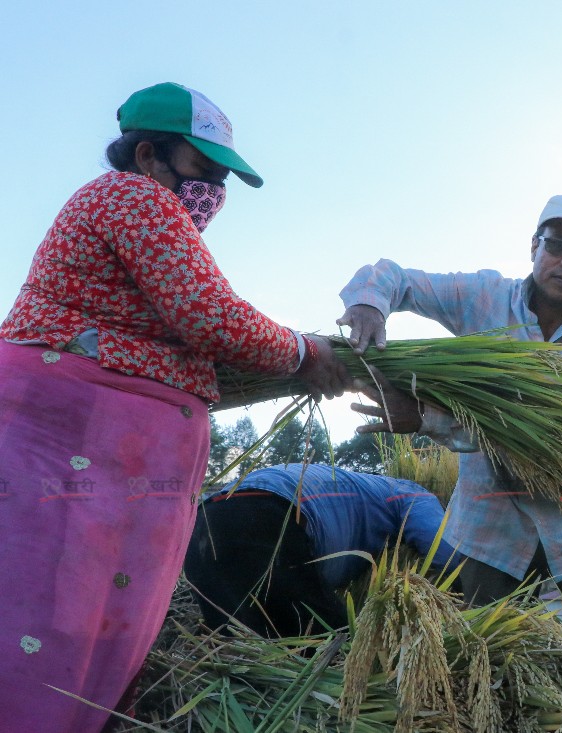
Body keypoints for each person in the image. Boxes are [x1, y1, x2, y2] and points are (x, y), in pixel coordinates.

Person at [0, 83, 348, 732]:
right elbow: (210, 316)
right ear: (149, 155)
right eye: (202, 168)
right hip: (70, 444)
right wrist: (308, 353)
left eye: (221, 178)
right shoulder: (134, 196)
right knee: (43, 616)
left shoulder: (146, 212)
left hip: (106, 459)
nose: (212, 189)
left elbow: (187, 337)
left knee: (75, 624)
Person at [336, 193, 562, 614]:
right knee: (482, 645)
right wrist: (369, 302)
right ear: (534, 246)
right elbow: (397, 278)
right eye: (558, 244)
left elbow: (539, 426)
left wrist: (426, 418)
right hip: (490, 525)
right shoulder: (485, 297)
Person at [184, 463, 462, 637]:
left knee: (231, 647)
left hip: (200, 525)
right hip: (264, 517)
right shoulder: (410, 491)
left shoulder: (353, 486)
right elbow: (446, 553)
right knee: (331, 644)